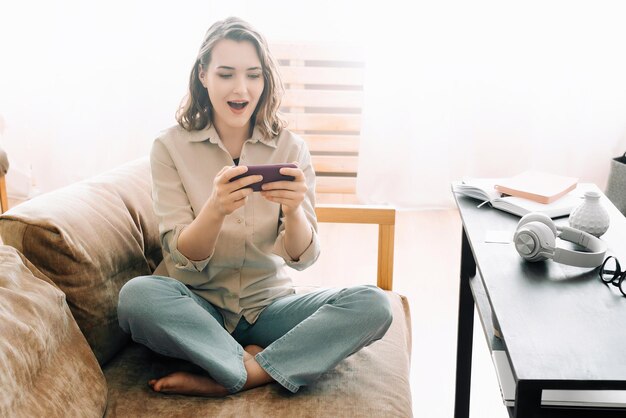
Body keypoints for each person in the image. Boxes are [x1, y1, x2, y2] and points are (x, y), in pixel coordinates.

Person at [117, 16, 392, 397]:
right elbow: (180, 258)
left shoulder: (291, 148)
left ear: (265, 80)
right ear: (203, 75)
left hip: (269, 307)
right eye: (226, 74)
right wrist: (214, 210)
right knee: (136, 297)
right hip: (199, 308)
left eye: (254, 75)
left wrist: (295, 211)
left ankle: (240, 374)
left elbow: (303, 259)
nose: (241, 88)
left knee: (374, 304)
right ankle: (251, 362)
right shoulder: (169, 148)